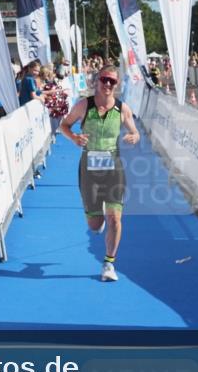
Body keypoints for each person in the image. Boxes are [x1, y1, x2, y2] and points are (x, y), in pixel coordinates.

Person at [59, 66, 140, 282]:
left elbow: (135, 131)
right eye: (105, 79)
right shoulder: (84, 105)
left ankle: (108, 264)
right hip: (89, 170)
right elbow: (64, 125)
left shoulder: (122, 109)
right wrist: (74, 138)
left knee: (115, 218)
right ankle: (98, 220)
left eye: (112, 81)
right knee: (94, 225)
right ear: (97, 81)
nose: (108, 84)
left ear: (117, 84)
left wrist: (134, 136)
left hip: (113, 169)